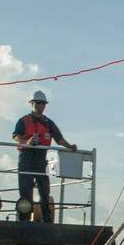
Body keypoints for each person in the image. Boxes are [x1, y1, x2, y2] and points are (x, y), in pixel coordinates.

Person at [12, 90, 77, 223]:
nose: (40, 106)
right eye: (38, 103)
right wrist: (27, 142)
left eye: (42, 104)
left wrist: (70, 147)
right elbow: (16, 136)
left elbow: (59, 139)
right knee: (25, 191)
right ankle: (24, 220)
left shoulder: (48, 123)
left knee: (44, 190)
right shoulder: (24, 121)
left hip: (42, 158)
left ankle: (47, 220)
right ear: (32, 104)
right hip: (26, 157)